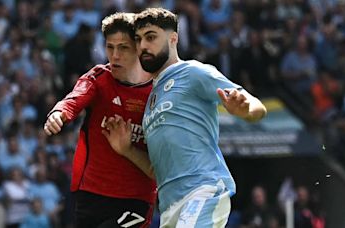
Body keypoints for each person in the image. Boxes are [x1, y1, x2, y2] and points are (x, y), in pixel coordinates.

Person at [104, 8, 267, 227]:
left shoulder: (192, 72)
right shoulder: (152, 98)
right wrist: (127, 150)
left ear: (173, 39)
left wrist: (244, 110)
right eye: (138, 39)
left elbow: (257, 106)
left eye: (151, 37)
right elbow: (156, 170)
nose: (143, 45)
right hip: (170, 206)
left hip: (202, 191)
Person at [43, 13, 156, 228]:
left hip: (136, 199)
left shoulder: (159, 93)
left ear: (139, 48)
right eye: (110, 47)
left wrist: (128, 148)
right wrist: (58, 114)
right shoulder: (98, 79)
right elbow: (74, 99)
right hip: (90, 194)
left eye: (123, 47)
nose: (115, 55)